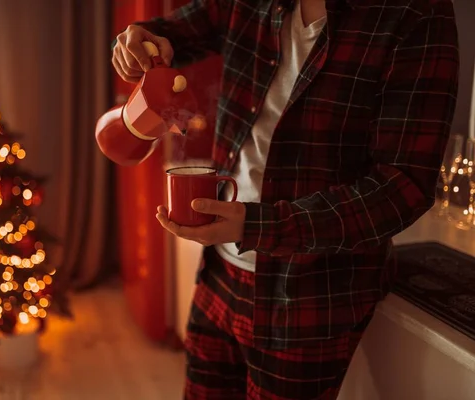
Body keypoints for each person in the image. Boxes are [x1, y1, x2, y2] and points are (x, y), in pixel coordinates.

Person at [112, 0, 459, 399]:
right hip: (219, 274)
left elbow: (404, 187)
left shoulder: (418, 12)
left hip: (312, 295)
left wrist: (256, 225)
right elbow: (170, 34)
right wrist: (138, 42)